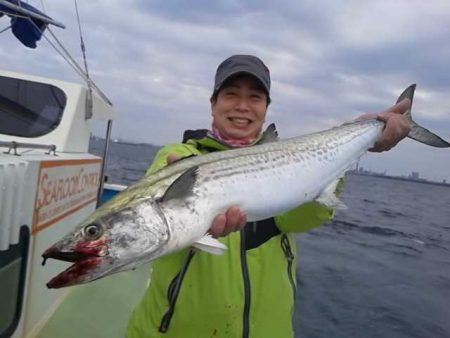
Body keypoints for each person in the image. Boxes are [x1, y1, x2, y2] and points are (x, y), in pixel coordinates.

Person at [126, 55, 411, 338]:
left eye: (255, 97)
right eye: (230, 94)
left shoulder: (288, 163)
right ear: (213, 103)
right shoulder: (179, 158)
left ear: (266, 108)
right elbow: (151, 224)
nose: (242, 106)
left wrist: (358, 135)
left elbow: (304, 217)